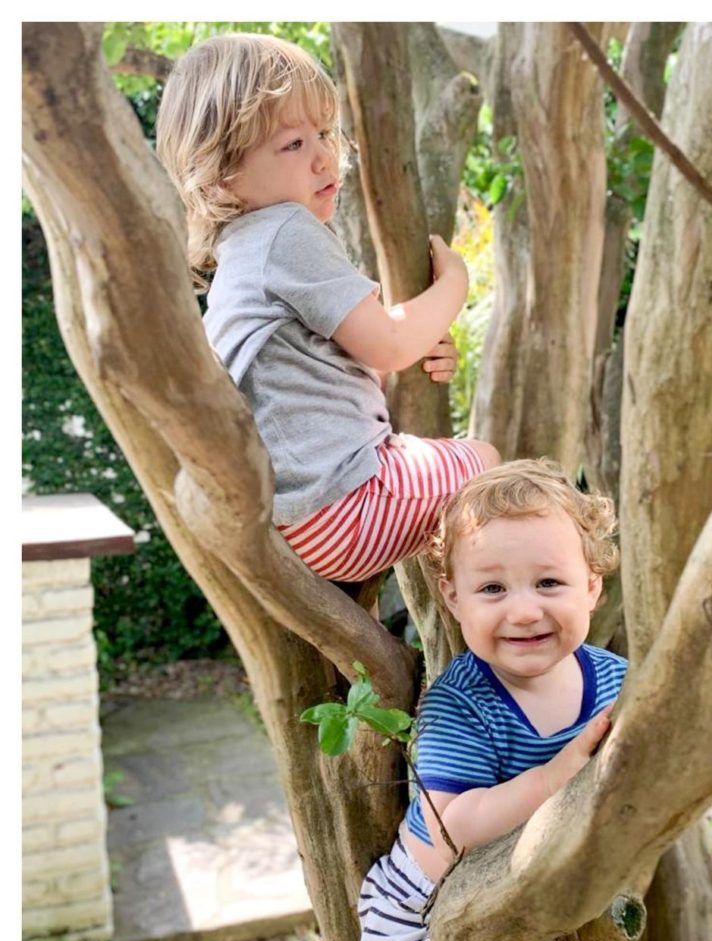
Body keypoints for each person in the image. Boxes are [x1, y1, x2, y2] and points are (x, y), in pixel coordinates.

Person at [155, 33, 499, 581]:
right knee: (485, 461)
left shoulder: (239, 255)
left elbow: (365, 362)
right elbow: (388, 341)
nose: (323, 157)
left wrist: (418, 341)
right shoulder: (285, 230)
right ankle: (489, 610)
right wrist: (454, 285)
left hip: (300, 522)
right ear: (222, 173)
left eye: (323, 132)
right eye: (292, 145)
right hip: (344, 506)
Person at [357, 458, 657, 941]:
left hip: (552, 890)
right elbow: (454, 824)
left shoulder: (615, 681)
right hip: (424, 909)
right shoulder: (463, 703)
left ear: (591, 587)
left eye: (548, 582)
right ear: (454, 598)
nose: (523, 611)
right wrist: (555, 777)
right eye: (493, 589)